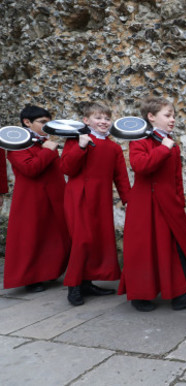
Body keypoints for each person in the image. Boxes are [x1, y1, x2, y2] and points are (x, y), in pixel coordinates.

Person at [118, 96, 186, 312]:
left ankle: (179, 294)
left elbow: (176, 177)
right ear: (151, 117)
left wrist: (179, 201)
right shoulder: (140, 141)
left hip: (169, 204)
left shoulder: (171, 142)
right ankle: (141, 295)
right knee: (145, 249)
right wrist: (163, 148)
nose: (172, 120)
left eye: (173, 115)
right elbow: (140, 166)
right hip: (145, 205)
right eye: (167, 115)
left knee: (176, 247)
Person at [61, 102, 131, 306]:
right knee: (81, 240)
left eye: (106, 118)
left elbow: (121, 177)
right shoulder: (75, 141)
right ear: (86, 121)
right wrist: (81, 146)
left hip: (101, 198)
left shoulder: (114, 147)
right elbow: (67, 168)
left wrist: (129, 201)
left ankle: (86, 282)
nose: (103, 122)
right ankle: (73, 285)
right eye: (98, 118)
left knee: (97, 239)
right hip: (78, 197)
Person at [4, 105, 70, 292]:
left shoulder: (44, 141)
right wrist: (48, 151)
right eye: (42, 122)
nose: (47, 126)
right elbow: (30, 169)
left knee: (53, 236)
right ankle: (30, 278)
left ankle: (48, 273)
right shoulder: (17, 144)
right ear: (27, 122)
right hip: (30, 199)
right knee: (31, 238)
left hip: (53, 195)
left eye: (48, 122)